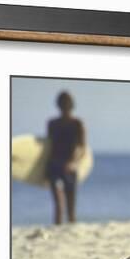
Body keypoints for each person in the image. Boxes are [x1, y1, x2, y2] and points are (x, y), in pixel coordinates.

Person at [46, 91, 86, 225]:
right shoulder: (52, 123)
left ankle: (70, 234)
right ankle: (57, 233)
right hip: (54, 166)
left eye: (66, 104)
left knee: (71, 208)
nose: (64, 107)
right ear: (58, 105)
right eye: (62, 104)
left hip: (69, 167)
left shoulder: (77, 124)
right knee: (58, 204)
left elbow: (82, 148)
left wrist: (74, 163)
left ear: (71, 105)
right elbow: (48, 147)